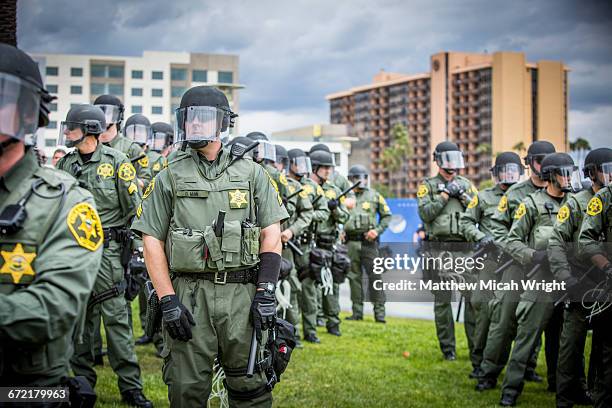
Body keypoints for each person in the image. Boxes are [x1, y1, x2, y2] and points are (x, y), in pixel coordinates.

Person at [131, 86, 288, 407]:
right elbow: (151, 241)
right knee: (186, 389)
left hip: (243, 296)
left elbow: (271, 234)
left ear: (224, 123)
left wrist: (266, 292)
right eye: (189, 118)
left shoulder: (253, 173)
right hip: (189, 296)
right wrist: (168, 300)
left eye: (204, 118)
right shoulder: (169, 175)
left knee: (252, 387)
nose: (195, 125)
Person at [0, 43, 103, 396]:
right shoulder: (68, 162)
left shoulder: (65, 201)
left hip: (24, 388)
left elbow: (54, 307)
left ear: (27, 113)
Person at [56, 104, 152, 407]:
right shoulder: (65, 165)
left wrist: (136, 256)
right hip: (74, 253)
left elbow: (136, 212)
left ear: (90, 130)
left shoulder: (118, 161)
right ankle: (83, 384)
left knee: (117, 322)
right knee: (80, 322)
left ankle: (131, 388)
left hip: (109, 254)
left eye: (73, 127)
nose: (67, 132)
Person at [498, 152, 577, 406]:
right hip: (540, 280)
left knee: (565, 339)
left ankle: (562, 386)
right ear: (551, 176)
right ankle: (510, 391)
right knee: (526, 337)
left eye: (570, 173)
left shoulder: (575, 203)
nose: (567, 179)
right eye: (562, 174)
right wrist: (534, 256)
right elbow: (512, 241)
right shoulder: (531, 204)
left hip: (568, 280)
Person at [476, 140, 556, 391]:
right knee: (504, 320)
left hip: (548, 270)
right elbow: (498, 227)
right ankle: (489, 373)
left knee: (545, 323)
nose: (544, 166)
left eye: (548, 161)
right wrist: (515, 250)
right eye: (540, 160)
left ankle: (534, 371)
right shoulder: (514, 194)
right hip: (516, 265)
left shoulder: (564, 193)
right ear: (529, 163)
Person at [549, 148, 612, 407]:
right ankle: (565, 399)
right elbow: (556, 241)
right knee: (571, 347)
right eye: (605, 169)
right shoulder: (576, 202)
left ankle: (596, 394)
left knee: (604, 349)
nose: (609, 174)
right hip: (580, 281)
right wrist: (565, 276)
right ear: (591, 173)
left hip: (605, 284)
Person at [460, 151, 523, 378]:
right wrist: (480, 237)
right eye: (503, 171)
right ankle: (479, 362)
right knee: (484, 308)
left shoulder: (525, 196)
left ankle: (527, 366)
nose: (508, 175)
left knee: (520, 312)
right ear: (496, 174)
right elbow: (466, 221)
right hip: (490, 261)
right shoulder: (483, 197)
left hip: (518, 262)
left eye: (512, 171)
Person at [416, 141, 477, 360]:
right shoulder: (428, 185)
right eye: (447, 160)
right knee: (442, 302)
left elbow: (477, 210)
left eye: (454, 159)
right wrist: (443, 196)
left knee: (472, 300)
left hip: (465, 250)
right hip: (438, 250)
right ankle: (448, 349)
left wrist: (462, 196)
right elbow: (425, 214)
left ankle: (475, 349)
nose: (451, 165)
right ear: (439, 161)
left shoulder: (466, 184)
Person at [578, 154, 612, 408]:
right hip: (609, 282)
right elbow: (586, 240)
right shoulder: (604, 198)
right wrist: (607, 267)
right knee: (606, 353)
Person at [287, 148, 330, 343]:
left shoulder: (313, 187)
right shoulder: (283, 184)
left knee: (309, 289)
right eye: (299, 163)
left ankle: (310, 330)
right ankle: (292, 331)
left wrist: (307, 217)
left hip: (305, 246)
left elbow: (324, 212)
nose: (303, 168)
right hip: (288, 244)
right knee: (291, 288)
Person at [274, 144, 313, 347]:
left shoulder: (294, 187)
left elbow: (307, 213)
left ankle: (292, 333)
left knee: (290, 287)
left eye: (278, 161)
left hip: (285, 247)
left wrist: (290, 231)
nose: (276, 165)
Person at [308, 150, 349, 336]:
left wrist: (335, 211)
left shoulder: (334, 189)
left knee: (331, 285)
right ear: (314, 167)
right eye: (324, 167)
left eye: (329, 167)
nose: (328, 171)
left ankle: (333, 322)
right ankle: (313, 321)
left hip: (329, 243)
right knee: (311, 287)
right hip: (311, 243)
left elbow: (345, 215)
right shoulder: (307, 188)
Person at [345, 164, 391, 323]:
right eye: (357, 178)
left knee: (375, 277)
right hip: (351, 242)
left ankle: (380, 314)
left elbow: (387, 216)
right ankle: (357, 313)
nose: (360, 181)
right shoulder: (346, 196)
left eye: (363, 178)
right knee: (354, 278)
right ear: (351, 179)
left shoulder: (374, 195)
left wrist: (377, 231)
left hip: (369, 243)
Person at [94, 95, 151, 188]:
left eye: (108, 113)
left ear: (118, 116)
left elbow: (147, 182)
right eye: (99, 112)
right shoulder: (88, 147)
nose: (103, 117)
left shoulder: (132, 149)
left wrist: (126, 178)